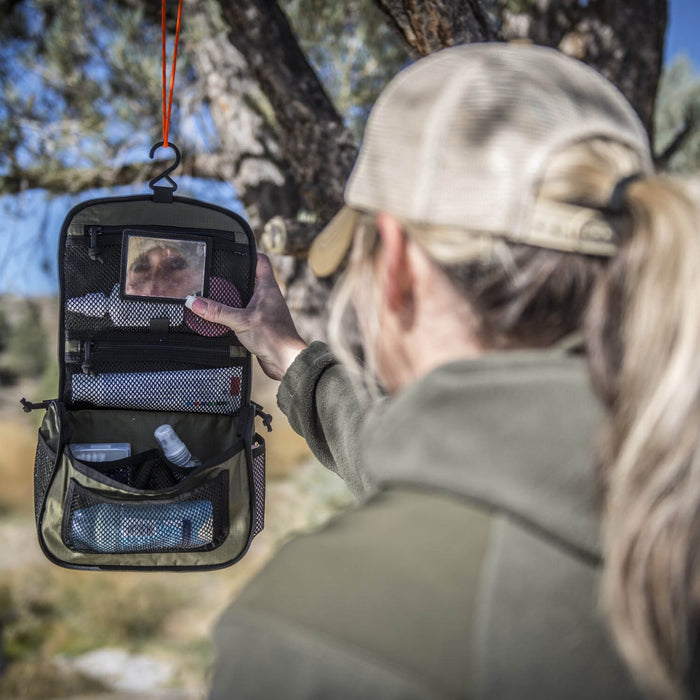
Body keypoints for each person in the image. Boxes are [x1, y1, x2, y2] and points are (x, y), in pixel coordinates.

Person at [187, 43, 700, 699]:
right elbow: (471, 467)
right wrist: (289, 353)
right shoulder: (653, 464)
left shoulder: (323, 631)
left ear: (397, 260)